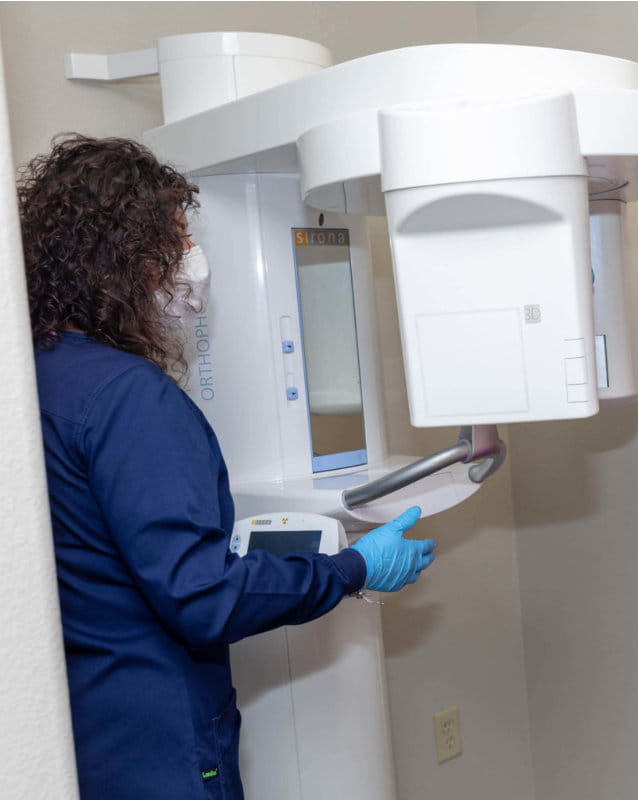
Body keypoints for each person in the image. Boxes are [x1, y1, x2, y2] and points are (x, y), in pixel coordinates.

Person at [20, 134, 437, 800]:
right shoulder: (130, 397)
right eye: (174, 239)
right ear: (124, 258)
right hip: (163, 741)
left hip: (89, 729)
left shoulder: (34, 377)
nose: (192, 261)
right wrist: (353, 568)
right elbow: (201, 596)